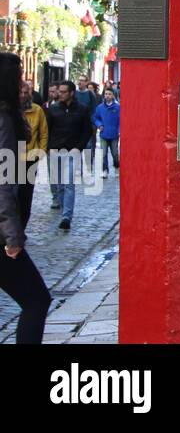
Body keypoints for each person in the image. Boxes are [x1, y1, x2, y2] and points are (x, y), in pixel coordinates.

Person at [0, 52, 52, 343]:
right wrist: (13, 236)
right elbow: (2, 181)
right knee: (36, 299)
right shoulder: (4, 118)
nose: (23, 84)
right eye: (19, 77)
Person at [44, 81, 90, 232]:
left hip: (72, 152)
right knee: (59, 185)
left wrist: (79, 148)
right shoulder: (54, 109)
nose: (60, 94)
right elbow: (48, 130)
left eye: (64, 92)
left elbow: (87, 131)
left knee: (69, 184)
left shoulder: (82, 110)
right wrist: (48, 148)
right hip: (56, 151)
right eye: (60, 92)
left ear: (71, 93)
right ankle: (65, 211)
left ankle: (66, 217)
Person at [17, 80, 47, 229]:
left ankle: (21, 226)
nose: (23, 95)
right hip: (11, 158)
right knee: (11, 194)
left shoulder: (37, 110)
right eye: (21, 93)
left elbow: (43, 133)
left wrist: (39, 153)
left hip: (30, 158)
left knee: (26, 195)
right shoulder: (10, 110)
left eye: (26, 92)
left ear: (31, 93)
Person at [75, 77, 101, 176]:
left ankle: (88, 167)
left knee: (88, 146)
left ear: (86, 82)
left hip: (88, 124)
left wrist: (92, 122)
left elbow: (94, 109)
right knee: (77, 147)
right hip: (76, 124)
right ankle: (78, 168)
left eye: (82, 80)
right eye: (79, 80)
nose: (79, 82)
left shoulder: (90, 94)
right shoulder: (74, 93)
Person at [93, 88, 120, 177]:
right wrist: (99, 125)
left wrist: (119, 131)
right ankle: (105, 170)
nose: (107, 96)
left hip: (114, 134)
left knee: (115, 153)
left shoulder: (118, 107)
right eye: (106, 94)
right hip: (103, 134)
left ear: (113, 95)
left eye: (109, 94)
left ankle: (117, 167)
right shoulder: (100, 107)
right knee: (103, 154)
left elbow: (121, 120)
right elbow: (96, 118)